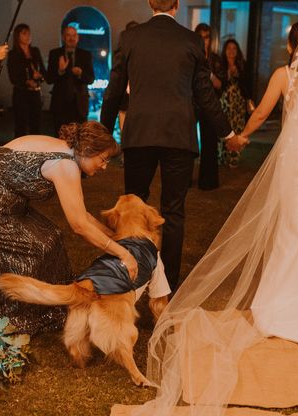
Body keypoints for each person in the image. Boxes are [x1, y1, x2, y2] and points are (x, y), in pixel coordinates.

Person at [122, 20, 298, 416]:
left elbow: (261, 112)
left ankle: (288, 296)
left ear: (295, 45)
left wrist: (238, 136)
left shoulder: (285, 75)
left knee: (295, 224)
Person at [100, 0, 245, 292]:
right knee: (174, 211)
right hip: (178, 136)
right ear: (177, 5)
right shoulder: (191, 40)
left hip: (139, 134)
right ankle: (168, 286)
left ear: (150, 3)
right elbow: (205, 94)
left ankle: (133, 278)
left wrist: (104, 133)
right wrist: (227, 133)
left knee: (133, 206)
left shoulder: (131, 38)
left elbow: (114, 90)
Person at [0, 121, 137, 335]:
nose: (104, 166)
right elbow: (79, 225)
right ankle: (17, 315)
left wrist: (114, 237)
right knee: (36, 247)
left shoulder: (67, 151)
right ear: (87, 151)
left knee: (51, 237)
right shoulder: (65, 164)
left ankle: (56, 307)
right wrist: (123, 253)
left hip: (4, 202)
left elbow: (81, 214)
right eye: (103, 159)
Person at [46, 26, 95, 135]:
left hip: (80, 105)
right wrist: (60, 71)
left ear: (78, 38)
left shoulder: (85, 55)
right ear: (63, 37)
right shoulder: (55, 54)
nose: (71, 38)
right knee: (59, 137)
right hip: (60, 104)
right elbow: (48, 79)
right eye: (68, 35)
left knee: (80, 137)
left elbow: (91, 79)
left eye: (74, 35)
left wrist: (80, 74)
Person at [194, 23, 225, 190]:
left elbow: (220, 84)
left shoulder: (215, 60)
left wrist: (209, 72)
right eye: (201, 37)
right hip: (192, 104)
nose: (204, 41)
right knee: (187, 144)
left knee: (209, 143)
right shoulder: (191, 56)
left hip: (209, 104)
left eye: (207, 37)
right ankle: (184, 180)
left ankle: (208, 181)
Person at [8, 24, 46, 138]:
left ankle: (35, 151)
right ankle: (20, 152)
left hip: (35, 93)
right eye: (24, 33)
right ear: (17, 36)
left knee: (36, 125)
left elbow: (43, 71)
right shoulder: (13, 54)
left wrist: (40, 77)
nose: (28, 36)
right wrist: (26, 81)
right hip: (21, 94)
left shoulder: (35, 51)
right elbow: (13, 77)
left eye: (29, 33)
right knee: (21, 126)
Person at [218, 39, 250, 169]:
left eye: (234, 48)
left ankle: (234, 158)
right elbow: (219, 85)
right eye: (229, 48)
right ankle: (222, 157)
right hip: (225, 102)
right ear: (225, 51)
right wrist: (228, 73)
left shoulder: (242, 64)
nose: (231, 51)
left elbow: (247, 85)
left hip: (238, 103)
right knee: (224, 129)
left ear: (237, 51)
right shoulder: (220, 65)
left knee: (237, 129)